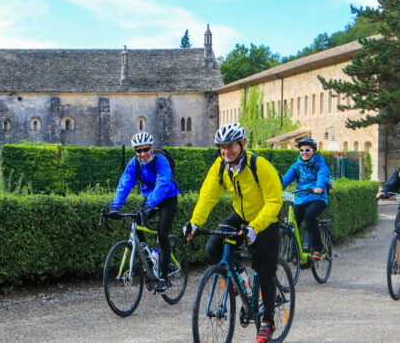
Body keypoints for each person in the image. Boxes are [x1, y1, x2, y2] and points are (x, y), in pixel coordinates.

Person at [184, 123, 282, 343]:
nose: (226, 151)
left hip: (265, 219)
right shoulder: (220, 166)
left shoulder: (260, 166)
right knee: (213, 247)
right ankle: (241, 280)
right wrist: (194, 223)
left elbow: (274, 201)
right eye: (222, 147)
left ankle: (268, 320)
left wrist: (255, 226)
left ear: (242, 144)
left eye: (230, 146)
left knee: (264, 268)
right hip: (241, 216)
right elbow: (208, 196)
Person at [108, 132, 180, 293]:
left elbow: (162, 184)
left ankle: (164, 277)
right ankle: (148, 256)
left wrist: (150, 205)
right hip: (150, 200)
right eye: (138, 151)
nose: (142, 154)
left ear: (152, 148)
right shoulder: (135, 163)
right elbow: (124, 183)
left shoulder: (161, 161)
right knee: (134, 220)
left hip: (167, 198)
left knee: (162, 234)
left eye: (146, 149)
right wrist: (115, 206)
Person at [281, 137, 331, 261]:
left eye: (307, 150)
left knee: (309, 216)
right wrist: (276, 188)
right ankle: (294, 253)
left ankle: (317, 249)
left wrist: (319, 187)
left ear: (313, 151)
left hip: (318, 197)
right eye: (301, 150)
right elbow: (286, 179)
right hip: (301, 197)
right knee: (293, 223)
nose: (304, 152)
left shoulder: (320, 164)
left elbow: (322, 176)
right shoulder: (296, 166)